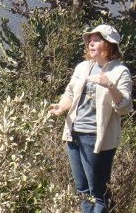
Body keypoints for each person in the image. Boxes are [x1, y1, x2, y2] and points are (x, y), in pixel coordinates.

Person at [49, 24, 133, 213]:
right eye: (90, 40)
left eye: (97, 39)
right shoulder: (83, 68)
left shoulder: (120, 72)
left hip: (97, 138)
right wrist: (61, 107)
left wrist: (109, 85)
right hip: (73, 134)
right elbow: (70, 93)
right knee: (83, 191)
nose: (91, 43)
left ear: (110, 45)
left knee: (99, 193)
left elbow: (125, 107)